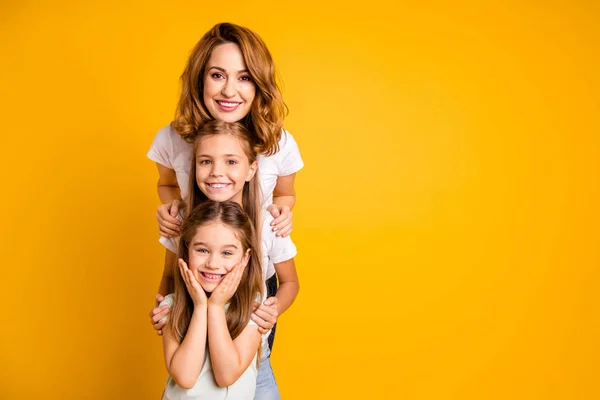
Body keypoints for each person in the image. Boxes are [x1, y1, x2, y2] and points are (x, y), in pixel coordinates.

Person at [148, 22, 303, 341]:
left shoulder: (277, 143)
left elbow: (285, 194)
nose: (229, 91)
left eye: (244, 77)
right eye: (217, 75)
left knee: (250, 374)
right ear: (200, 79)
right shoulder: (174, 138)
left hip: (255, 282)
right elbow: (167, 186)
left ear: (259, 84)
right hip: (197, 274)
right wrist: (170, 207)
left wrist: (283, 213)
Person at [160, 120, 299, 399]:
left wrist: (271, 310)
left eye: (231, 161)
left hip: (246, 349)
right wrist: (164, 306)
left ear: (251, 169)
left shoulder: (269, 224)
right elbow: (168, 277)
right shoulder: (182, 221)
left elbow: (290, 282)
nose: (217, 172)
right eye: (206, 162)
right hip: (191, 334)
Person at [160, 200, 264, 399]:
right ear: (186, 251)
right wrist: (201, 307)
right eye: (202, 250)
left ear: (245, 258)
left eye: (226, 253)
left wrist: (215, 307)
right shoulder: (172, 305)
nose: (213, 263)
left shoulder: (253, 307)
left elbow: (226, 375)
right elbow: (185, 377)